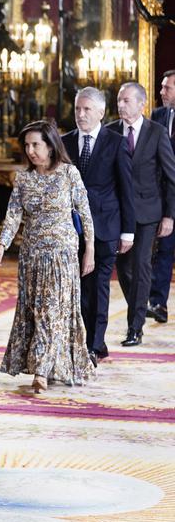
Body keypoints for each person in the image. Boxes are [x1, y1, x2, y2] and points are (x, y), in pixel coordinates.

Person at [0, 120, 96, 393]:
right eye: (26, 145)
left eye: (35, 144)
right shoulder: (24, 179)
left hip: (62, 256)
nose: (30, 150)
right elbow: (14, 215)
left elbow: (85, 214)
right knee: (36, 311)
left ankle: (41, 370)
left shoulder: (69, 174)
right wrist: (2, 245)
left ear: (51, 146)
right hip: (32, 257)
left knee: (52, 310)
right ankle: (49, 365)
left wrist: (90, 251)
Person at [62, 87, 136, 362]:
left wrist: (128, 231)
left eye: (87, 110)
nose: (80, 114)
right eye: (78, 109)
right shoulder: (64, 142)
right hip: (70, 230)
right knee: (77, 290)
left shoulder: (116, 143)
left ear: (101, 113)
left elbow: (126, 189)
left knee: (98, 288)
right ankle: (81, 342)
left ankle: (94, 345)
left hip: (105, 228)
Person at [105, 82, 175, 347]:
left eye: (126, 101)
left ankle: (135, 327)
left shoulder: (156, 132)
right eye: (119, 100)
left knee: (142, 264)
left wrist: (170, 215)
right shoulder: (110, 131)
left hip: (148, 212)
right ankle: (139, 303)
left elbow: (171, 177)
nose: (120, 105)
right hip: (119, 213)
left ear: (141, 104)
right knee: (123, 267)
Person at [148, 69, 175, 324]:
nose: (162, 92)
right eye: (162, 87)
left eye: (167, 88)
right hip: (163, 194)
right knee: (163, 250)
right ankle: (158, 303)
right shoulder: (157, 116)